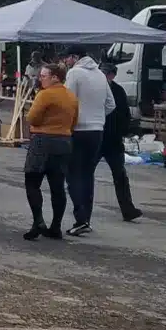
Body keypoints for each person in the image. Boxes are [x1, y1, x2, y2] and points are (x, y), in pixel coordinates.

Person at [62, 46, 115, 237]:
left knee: (72, 175)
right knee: (87, 174)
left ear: (75, 57)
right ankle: (87, 218)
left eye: (67, 58)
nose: (66, 62)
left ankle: (80, 218)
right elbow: (111, 104)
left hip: (78, 130)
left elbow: (66, 101)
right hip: (96, 131)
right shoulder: (100, 74)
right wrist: (97, 117)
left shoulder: (74, 73)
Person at [22, 64, 79, 240]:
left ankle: (38, 220)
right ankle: (56, 226)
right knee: (57, 185)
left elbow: (32, 117)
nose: (41, 79)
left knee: (32, 181)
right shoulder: (71, 96)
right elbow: (74, 121)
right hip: (64, 142)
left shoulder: (45, 94)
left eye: (43, 76)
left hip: (42, 140)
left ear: (55, 77)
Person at [100, 62, 143, 222]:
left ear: (112, 75)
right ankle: (82, 210)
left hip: (113, 139)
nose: (104, 77)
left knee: (120, 175)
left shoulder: (118, 91)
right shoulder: (95, 89)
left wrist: (123, 132)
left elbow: (125, 114)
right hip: (96, 136)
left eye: (106, 74)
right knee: (85, 174)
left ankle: (128, 209)